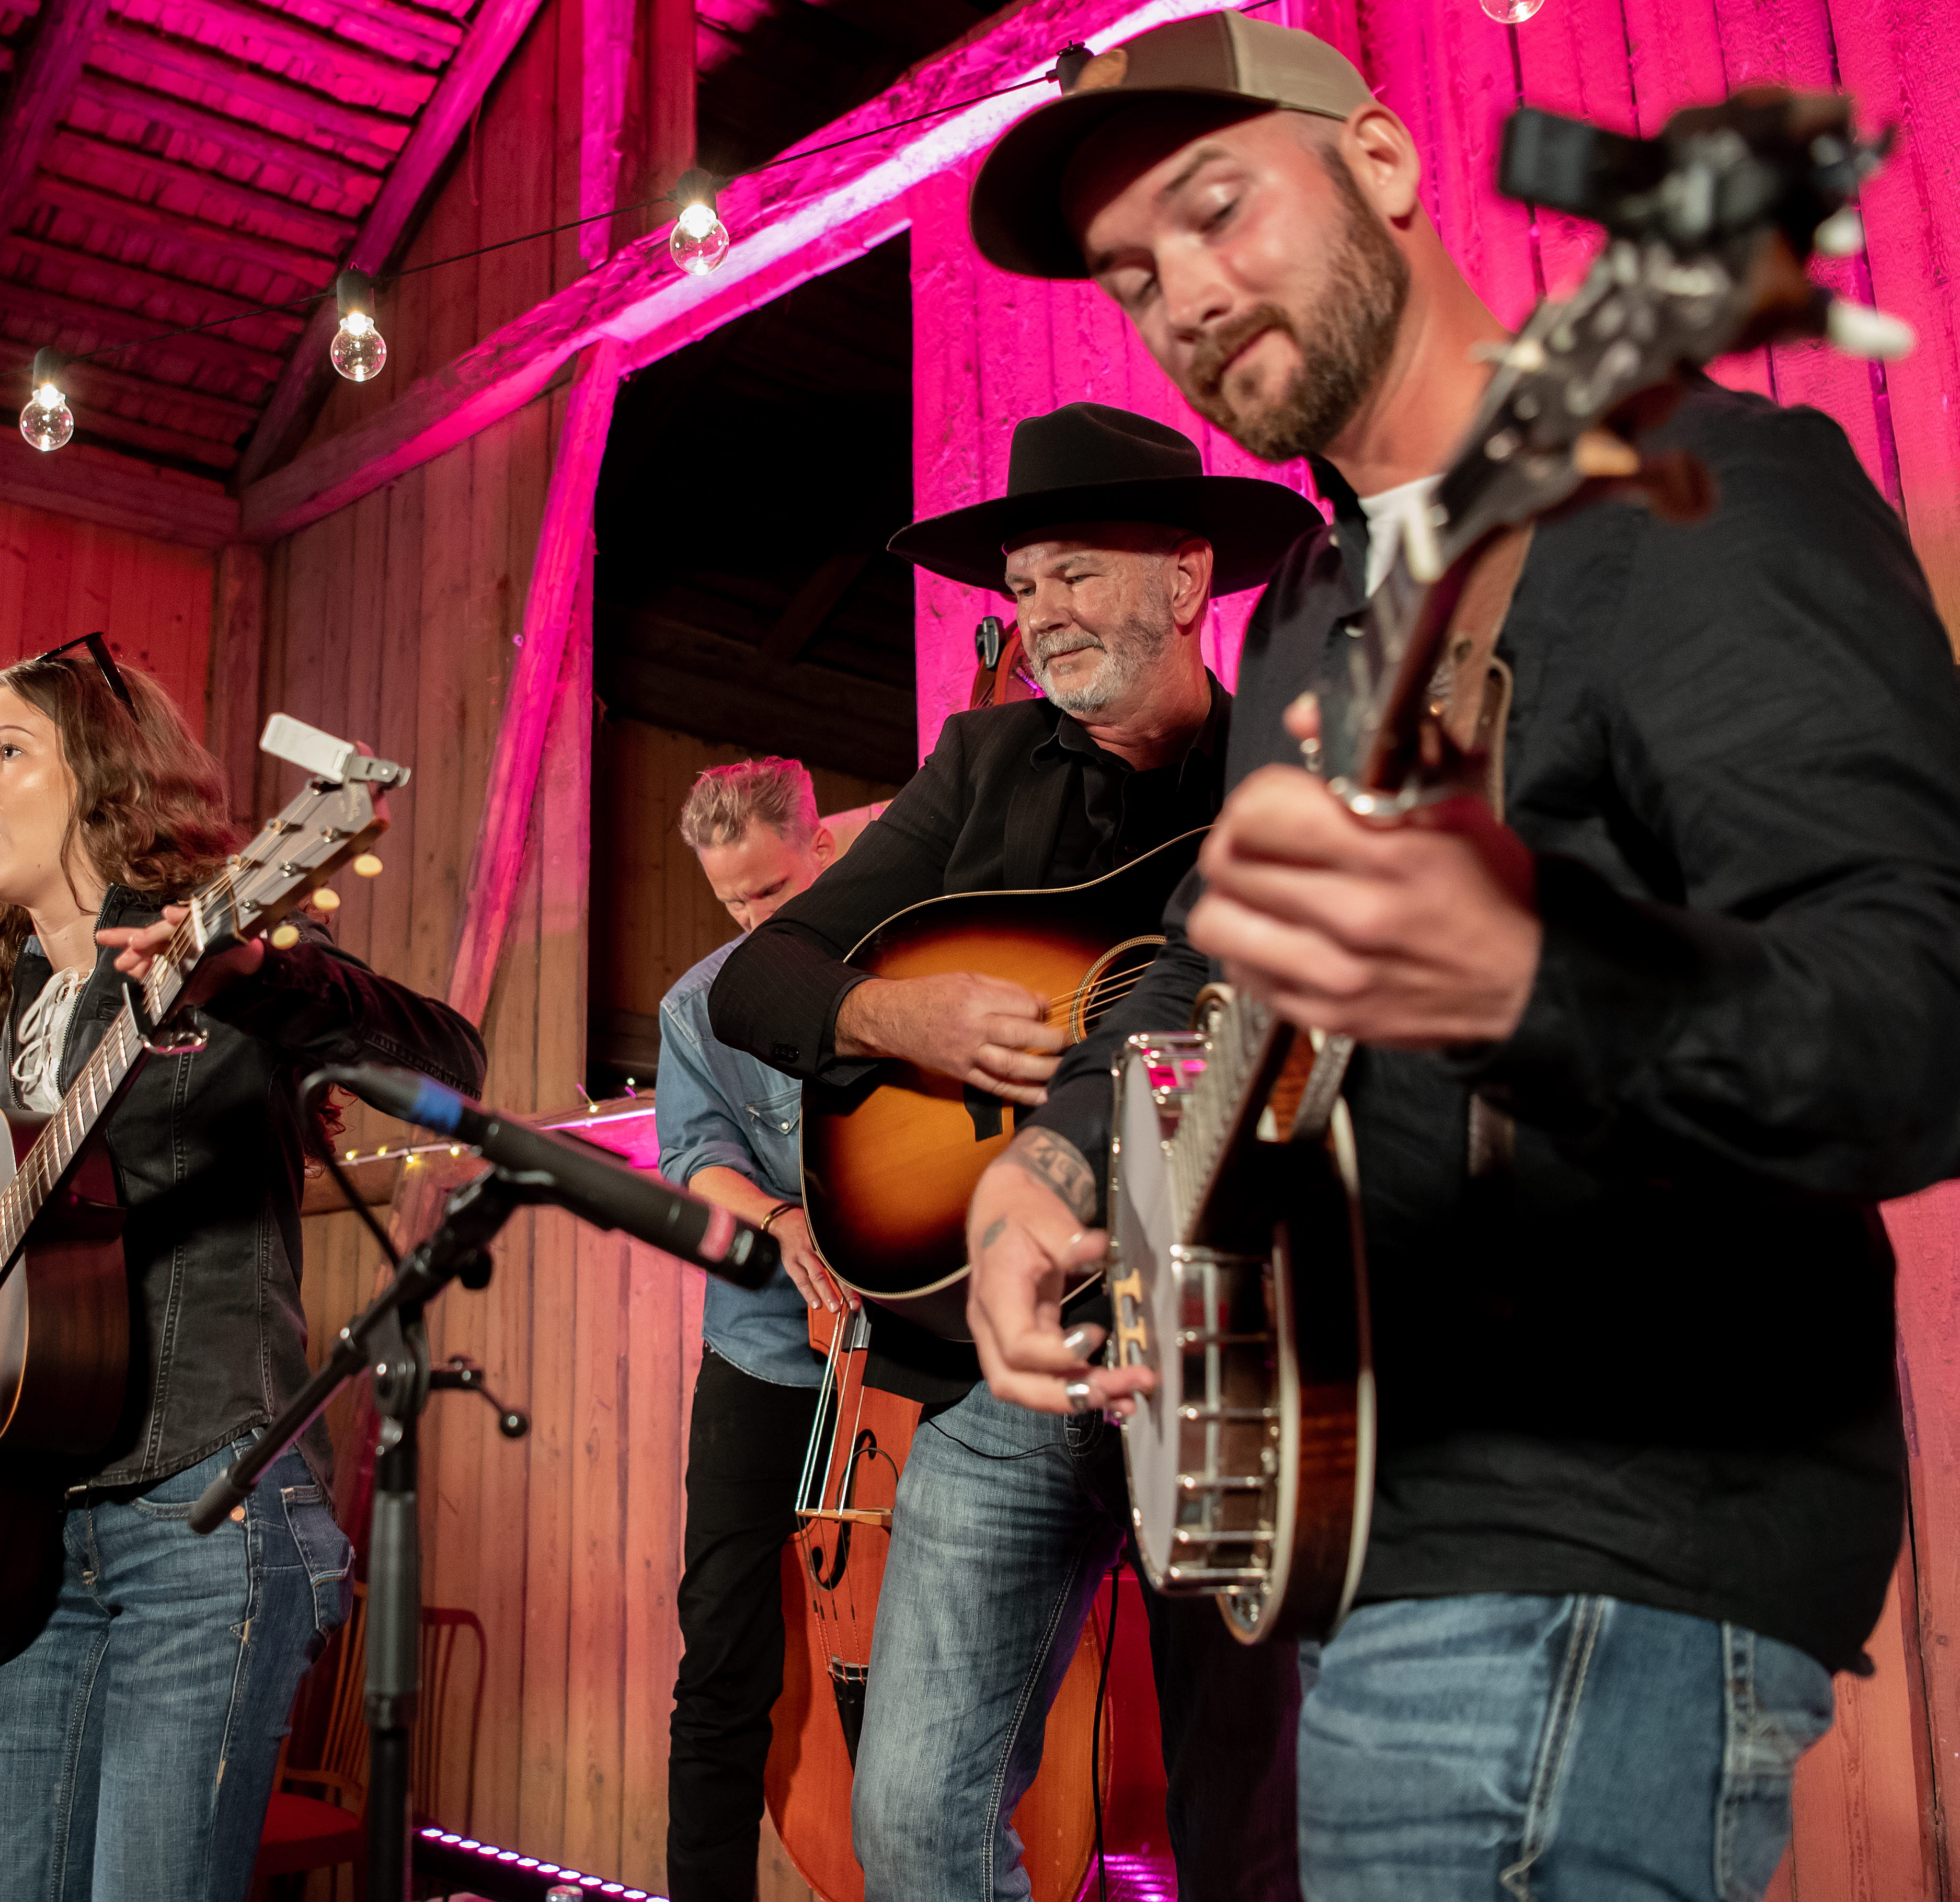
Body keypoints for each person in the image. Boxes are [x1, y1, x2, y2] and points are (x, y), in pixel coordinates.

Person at [957, 16, 1960, 1898]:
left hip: (1599, 1529)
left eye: (1215, 205)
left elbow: (1919, 1005)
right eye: (1128, 272)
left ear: (1392, 172)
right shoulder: (1310, 614)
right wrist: (1062, 1150)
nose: (1178, 291)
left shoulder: (1694, 497)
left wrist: (1530, 980)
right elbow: (1212, 952)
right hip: (1367, 1527)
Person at [705, 402, 1317, 1900]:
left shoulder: (1284, 768)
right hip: (1004, 1371)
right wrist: (895, 1010)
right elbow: (754, 980)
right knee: (912, 1814)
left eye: (1072, 575)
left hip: (1225, 1352)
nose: (1036, 614)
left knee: (1244, 1831)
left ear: (1185, 578)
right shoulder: (977, 766)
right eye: (1022, 584)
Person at [0, 639, 486, 1902]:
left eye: (7, 752)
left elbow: (450, 1055)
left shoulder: (215, 947)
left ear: (101, 783)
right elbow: (42, 1247)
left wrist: (260, 977)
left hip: (206, 1516)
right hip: (39, 1539)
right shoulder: (21, 1012)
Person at [653, 757, 856, 1902]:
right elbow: (695, 1160)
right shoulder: (697, 1004)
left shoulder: (889, 959)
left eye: (769, 896)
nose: (748, 924)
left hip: (901, 1367)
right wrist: (780, 1221)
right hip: (760, 1351)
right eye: (729, 903)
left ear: (818, 849)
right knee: (723, 1655)